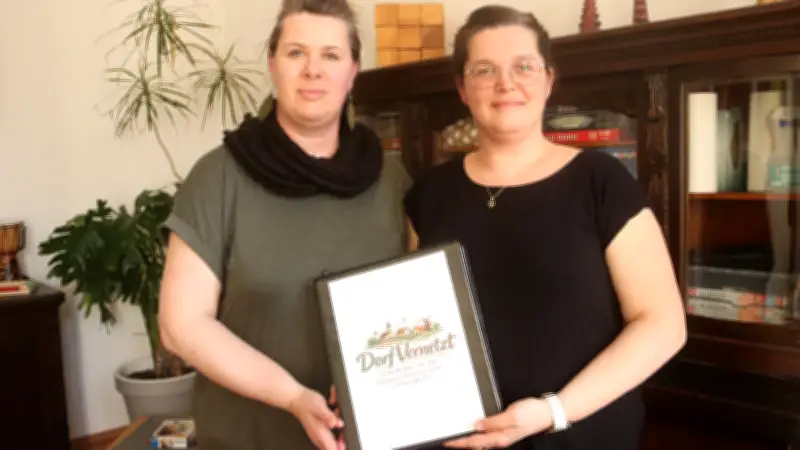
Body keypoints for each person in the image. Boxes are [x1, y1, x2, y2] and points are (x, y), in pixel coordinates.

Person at [403, 6, 687, 450]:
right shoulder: (428, 194)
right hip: (462, 438)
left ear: (549, 80)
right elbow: (416, 321)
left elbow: (663, 324)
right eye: (484, 70)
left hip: (581, 438)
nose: (506, 83)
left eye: (524, 67)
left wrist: (554, 411)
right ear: (462, 88)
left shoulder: (601, 182)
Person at [157, 0, 411, 449]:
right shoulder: (218, 177)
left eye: (331, 55)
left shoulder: (392, 180)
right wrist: (292, 397)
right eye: (296, 53)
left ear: (352, 72)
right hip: (247, 438)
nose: (313, 69)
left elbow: (416, 305)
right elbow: (180, 325)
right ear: (273, 65)